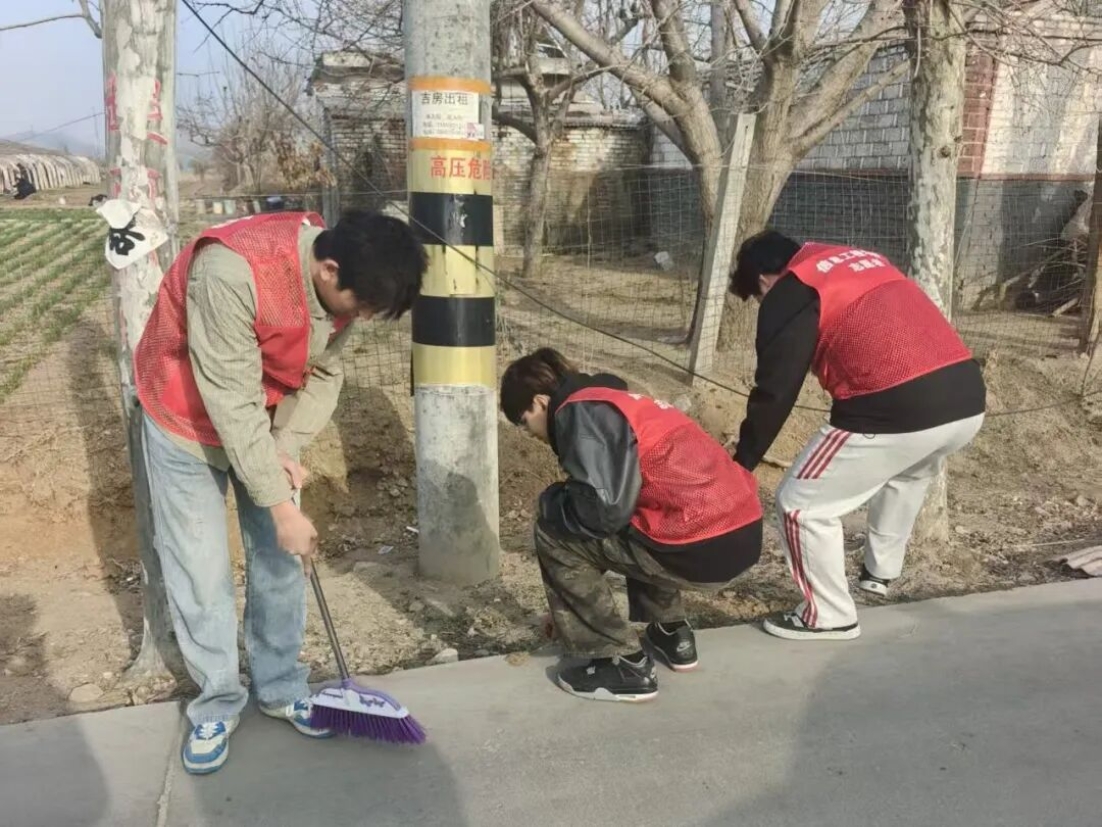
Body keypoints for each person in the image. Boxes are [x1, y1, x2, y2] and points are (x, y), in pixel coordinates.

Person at [135, 208, 426, 774]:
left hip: (260, 416)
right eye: (361, 306)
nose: (361, 318)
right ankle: (217, 701)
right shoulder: (230, 270)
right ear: (328, 270)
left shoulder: (344, 286)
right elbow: (228, 399)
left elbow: (325, 373)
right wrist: (280, 505)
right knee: (200, 565)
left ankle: (280, 686)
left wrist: (286, 446)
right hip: (183, 416)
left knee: (280, 559)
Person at [728, 230, 986, 642]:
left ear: (762, 279)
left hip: (895, 408)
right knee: (907, 472)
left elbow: (777, 388)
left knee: (800, 505)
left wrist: (742, 463)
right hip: (967, 398)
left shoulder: (794, 287)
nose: (764, 305)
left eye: (758, 298)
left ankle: (829, 616)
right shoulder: (859, 259)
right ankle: (880, 573)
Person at [501, 349, 763, 702]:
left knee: (554, 529)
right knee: (642, 514)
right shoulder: (619, 400)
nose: (529, 433)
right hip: (742, 532)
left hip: (701, 545)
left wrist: (552, 505)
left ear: (540, 402)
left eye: (523, 421)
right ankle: (672, 633)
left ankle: (619, 660)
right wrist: (566, 602)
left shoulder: (580, 412)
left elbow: (602, 514)